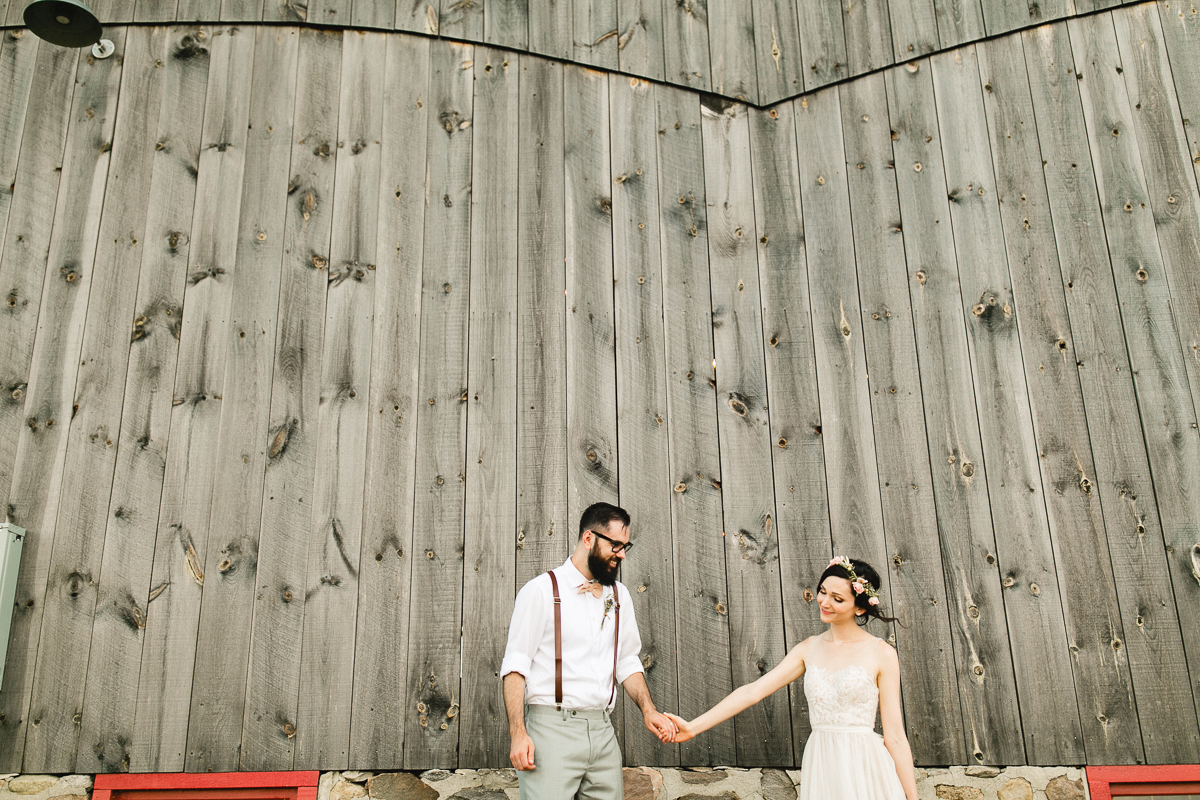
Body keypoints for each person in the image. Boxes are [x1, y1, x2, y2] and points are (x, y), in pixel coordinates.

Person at [665, 557, 918, 800]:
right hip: (822, 762)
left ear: (860, 607)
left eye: (837, 598)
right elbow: (753, 691)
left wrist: (913, 797)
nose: (824, 601)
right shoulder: (809, 648)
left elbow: (895, 736)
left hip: (865, 766)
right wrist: (693, 727)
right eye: (823, 591)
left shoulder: (881, 653)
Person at [501, 502, 676, 800]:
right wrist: (519, 734)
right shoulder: (541, 591)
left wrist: (649, 710)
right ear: (588, 539)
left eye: (625, 546)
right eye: (615, 545)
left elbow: (626, 661)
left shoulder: (619, 596)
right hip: (550, 730)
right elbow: (516, 667)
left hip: (602, 731)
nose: (621, 554)